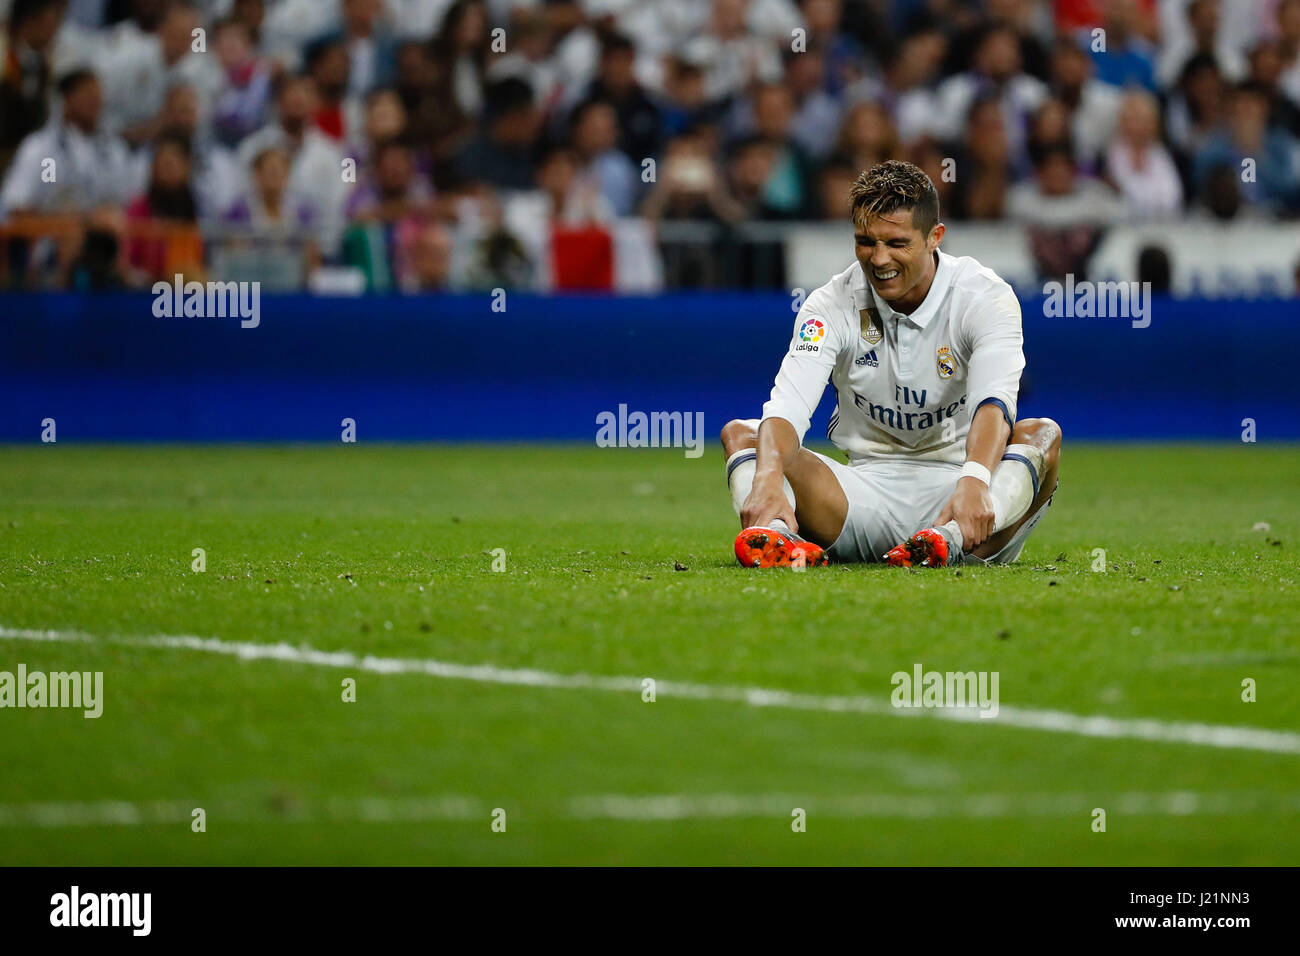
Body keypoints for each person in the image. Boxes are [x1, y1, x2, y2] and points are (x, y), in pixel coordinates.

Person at [720, 159, 1061, 569]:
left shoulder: (983, 297)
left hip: (964, 495)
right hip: (858, 497)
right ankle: (775, 533)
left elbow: (994, 404)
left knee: (1042, 435)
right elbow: (789, 404)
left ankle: (945, 541)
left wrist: (974, 480)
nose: (878, 259)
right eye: (865, 241)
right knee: (744, 435)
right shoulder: (829, 305)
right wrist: (766, 479)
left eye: (896, 243)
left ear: (935, 237)